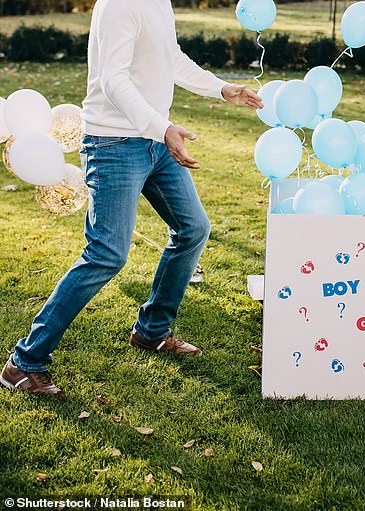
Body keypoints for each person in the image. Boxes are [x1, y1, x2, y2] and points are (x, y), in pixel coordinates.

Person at [0, 0, 263, 396]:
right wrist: (162, 125)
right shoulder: (120, 4)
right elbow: (113, 80)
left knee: (193, 229)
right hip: (113, 144)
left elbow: (169, 56)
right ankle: (24, 361)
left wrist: (221, 88)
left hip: (155, 141)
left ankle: (152, 330)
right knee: (107, 253)